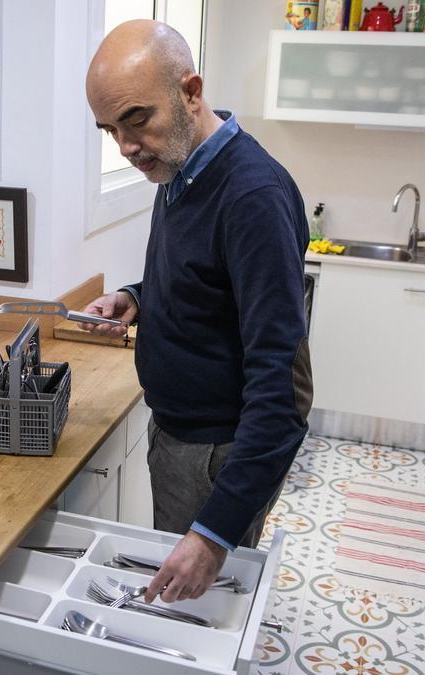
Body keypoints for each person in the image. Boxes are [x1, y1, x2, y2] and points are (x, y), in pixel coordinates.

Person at [81, 20, 312, 605]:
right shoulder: (181, 167)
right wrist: (137, 297)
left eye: (137, 118)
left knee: (200, 612)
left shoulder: (250, 196)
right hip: (182, 433)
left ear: (191, 91)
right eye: (110, 129)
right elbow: (203, 281)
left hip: (218, 454)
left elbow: (283, 392)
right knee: (192, 604)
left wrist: (213, 533)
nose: (127, 146)